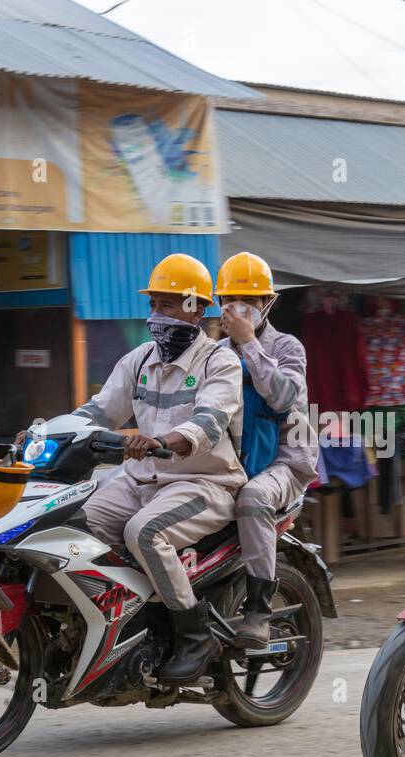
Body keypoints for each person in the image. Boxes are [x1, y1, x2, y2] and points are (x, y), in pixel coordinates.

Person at [71, 253, 245, 683]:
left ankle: (194, 634)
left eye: (168, 305)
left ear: (196, 308)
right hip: (140, 480)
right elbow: (97, 411)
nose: (157, 316)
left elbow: (208, 422)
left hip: (203, 483)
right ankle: (118, 623)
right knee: (76, 528)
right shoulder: (138, 360)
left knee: (144, 532)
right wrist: (45, 433)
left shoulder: (218, 363)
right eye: (154, 305)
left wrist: (161, 441)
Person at [213, 252, 318, 647]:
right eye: (229, 302)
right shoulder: (211, 352)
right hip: (228, 461)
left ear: (267, 305)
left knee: (254, 498)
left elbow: (282, 398)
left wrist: (249, 343)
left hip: (284, 464)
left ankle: (258, 609)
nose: (238, 310)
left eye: (249, 303)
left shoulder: (288, 348)